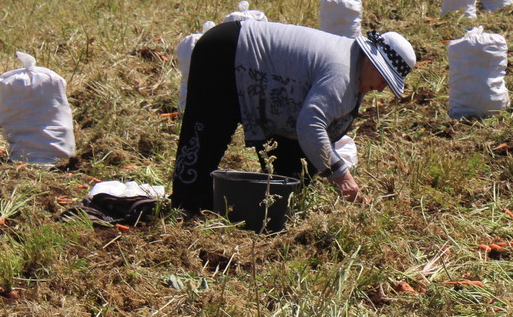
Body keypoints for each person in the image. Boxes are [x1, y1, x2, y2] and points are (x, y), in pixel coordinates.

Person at [170, 21, 417, 213]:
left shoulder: (354, 68)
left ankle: (268, 203)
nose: (383, 89)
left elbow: (308, 123)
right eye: (384, 79)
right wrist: (342, 177)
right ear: (370, 62)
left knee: (294, 179)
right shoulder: (342, 73)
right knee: (207, 139)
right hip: (225, 52)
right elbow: (310, 126)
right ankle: (186, 210)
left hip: (260, 73)